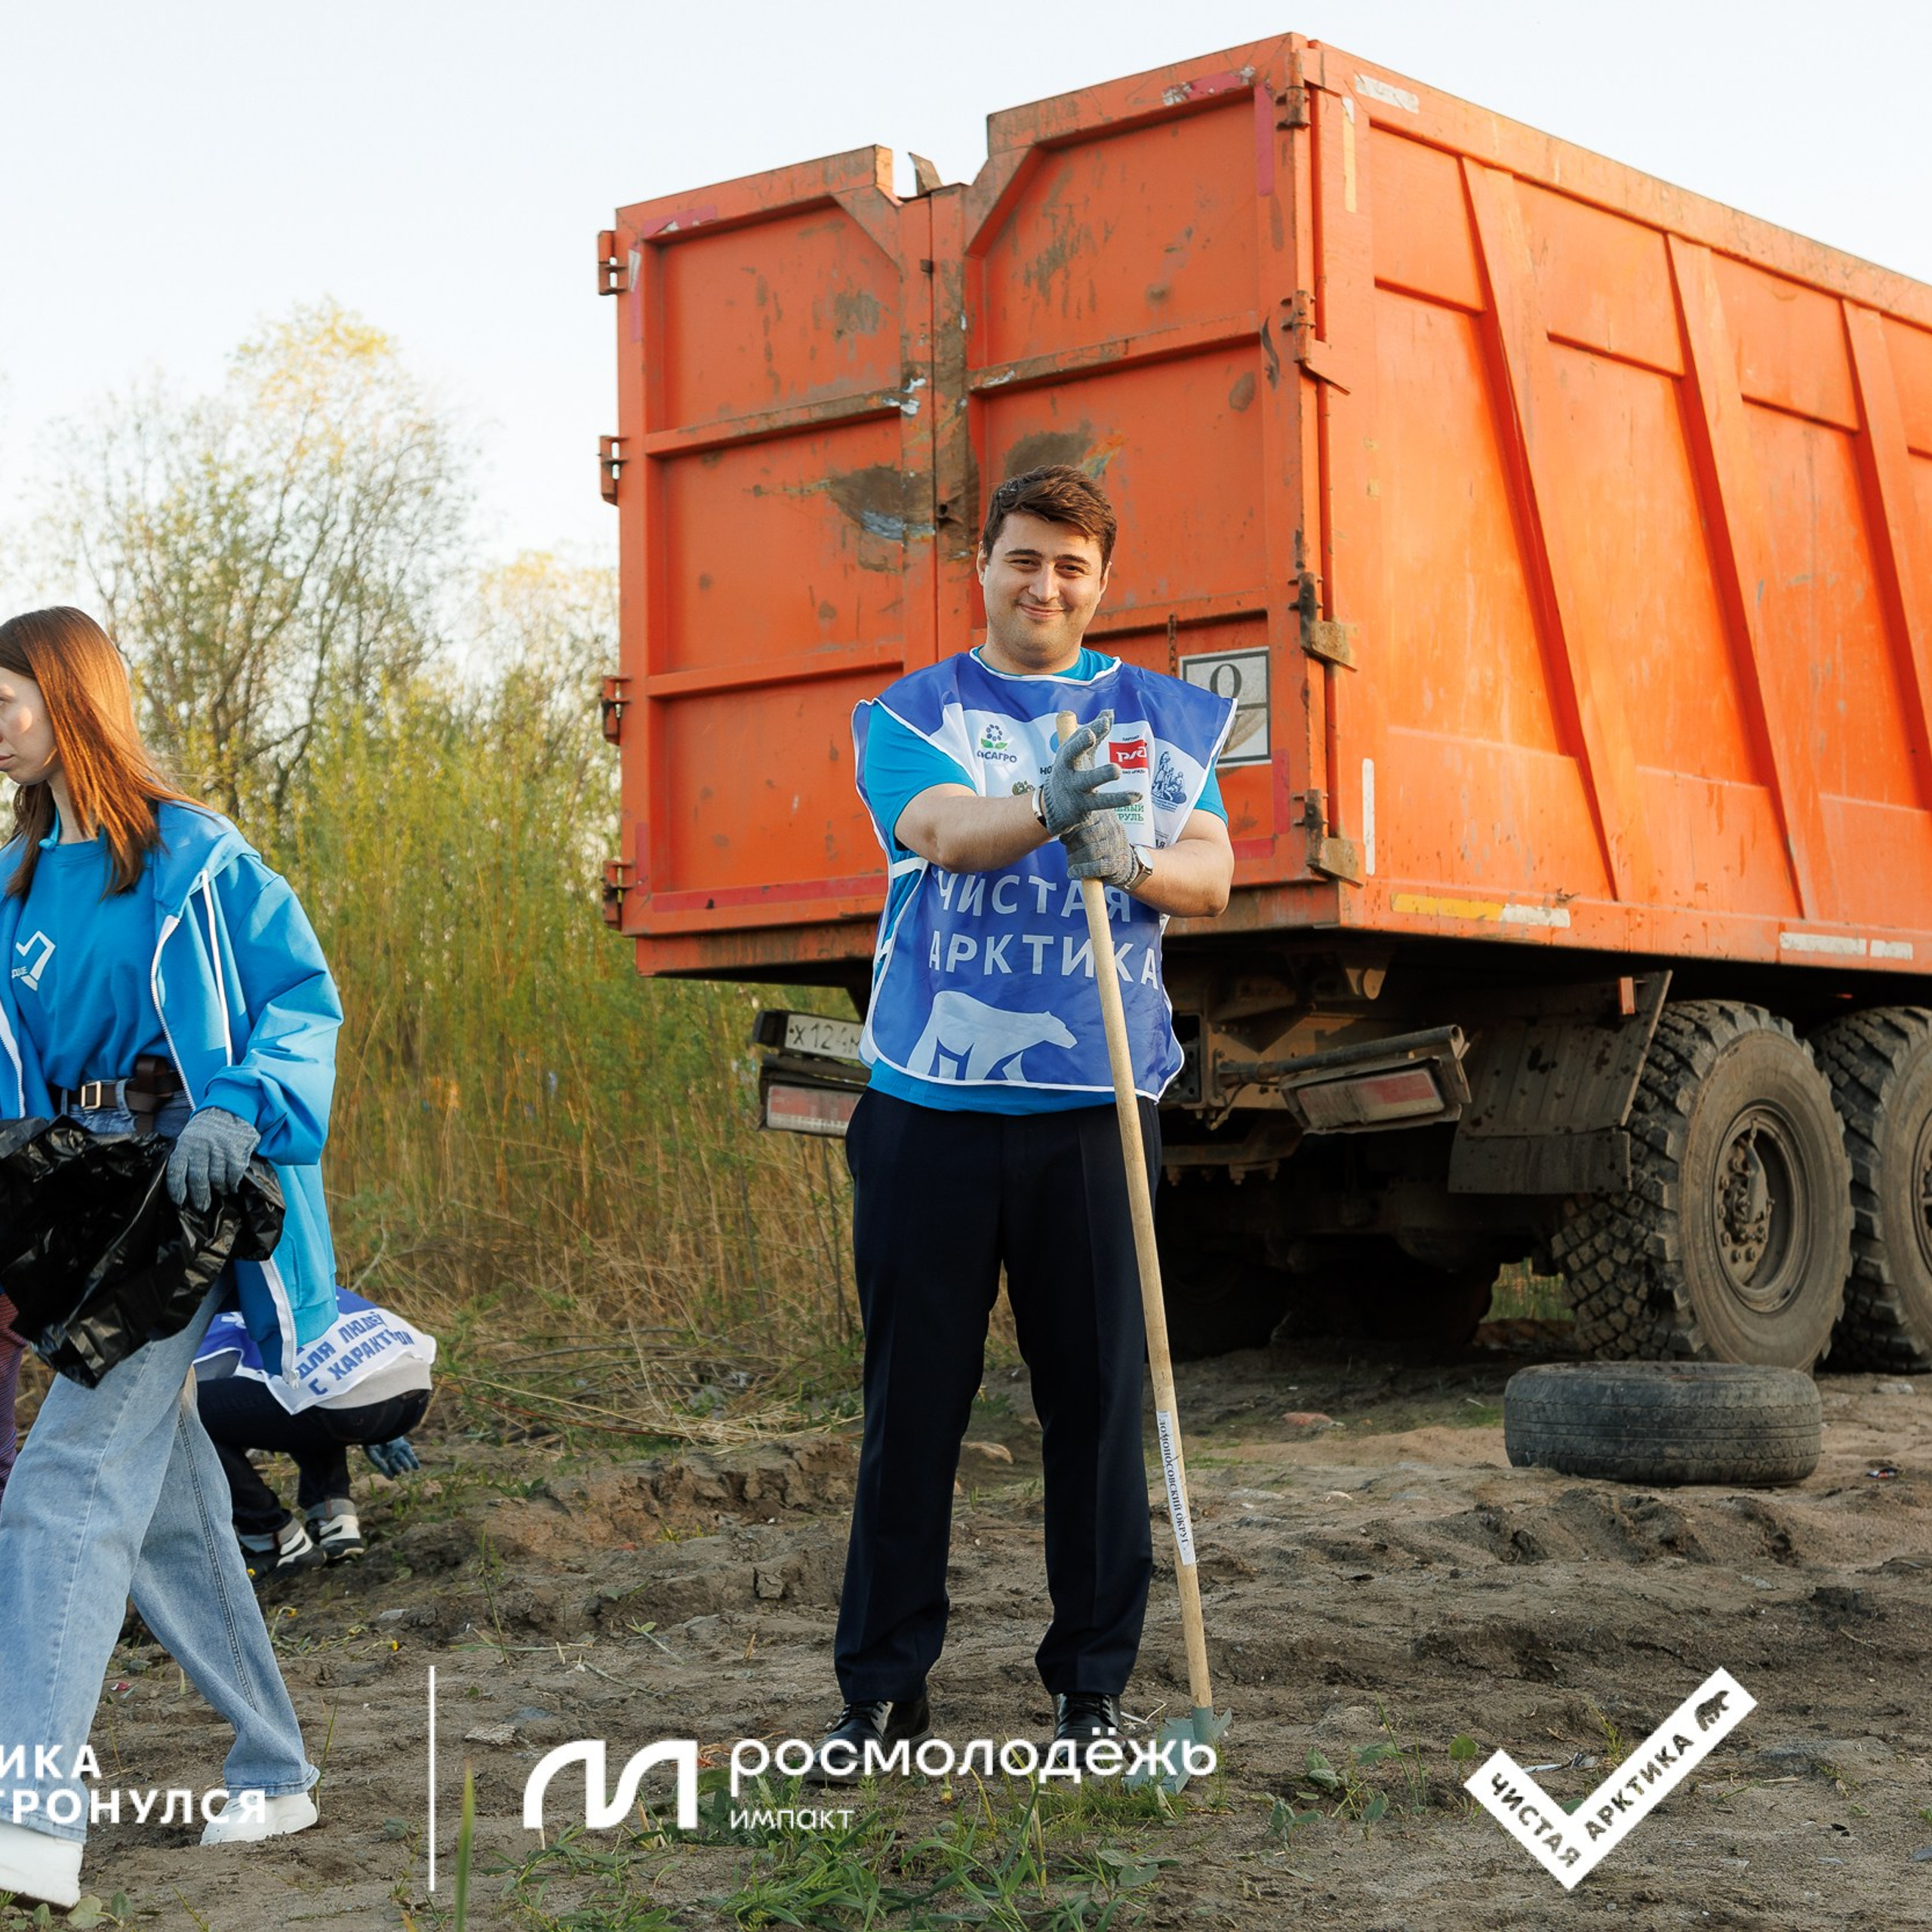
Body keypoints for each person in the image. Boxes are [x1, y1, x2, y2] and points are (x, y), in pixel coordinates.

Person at [811, 466, 1236, 1783]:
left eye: (1069, 564)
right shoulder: (916, 712)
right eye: (1021, 560)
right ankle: (881, 1693)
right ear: (982, 568)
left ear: (1102, 580)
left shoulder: (1163, 721)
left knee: (1101, 1411)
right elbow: (937, 830)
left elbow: (1215, 873)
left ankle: (1091, 1693)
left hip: (1095, 1112)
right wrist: (1049, 813)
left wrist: (1140, 865)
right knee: (913, 1412)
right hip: (929, 1109)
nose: (1042, 584)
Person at [0, 607, 343, 1909]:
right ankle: (275, 1765)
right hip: (63, 1202)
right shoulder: (13, 886)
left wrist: (237, 1100)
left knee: (65, 1475)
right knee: (166, 1503)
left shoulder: (194, 855)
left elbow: (301, 999)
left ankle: (28, 1809)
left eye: (7, 702)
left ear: (71, 702)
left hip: (184, 1195)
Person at [194, 1282, 436, 1574]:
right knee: (296, 1386)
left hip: (351, 1406)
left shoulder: (199, 1300)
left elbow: (193, 1383)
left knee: (187, 1414)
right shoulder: (289, 1268)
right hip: (412, 1386)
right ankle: (334, 1518)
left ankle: (273, 1538)